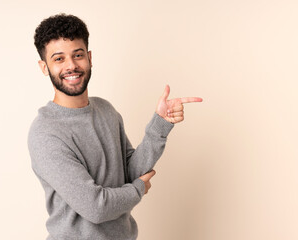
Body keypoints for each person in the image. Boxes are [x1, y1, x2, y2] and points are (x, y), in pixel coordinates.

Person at [28, 13, 203, 240]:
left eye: (78, 55)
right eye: (59, 59)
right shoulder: (46, 133)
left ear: (89, 58)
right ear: (44, 67)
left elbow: (130, 171)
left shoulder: (106, 110)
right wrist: (137, 190)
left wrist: (161, 123)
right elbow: (95, 207)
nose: (71, 66)